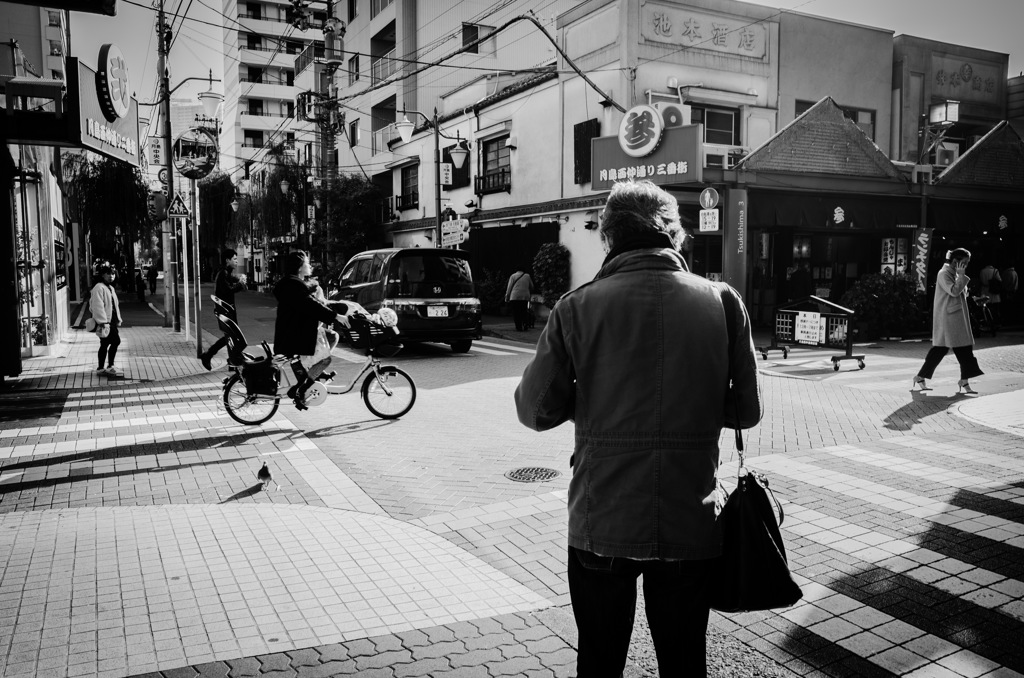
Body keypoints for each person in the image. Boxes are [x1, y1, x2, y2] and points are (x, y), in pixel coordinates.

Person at [514, 180, 762, 677]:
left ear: (608, 238)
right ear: (675, 234)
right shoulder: (723, 302)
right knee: (684, 657)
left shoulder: (576, 306)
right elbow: (746, 412)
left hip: (601, 516)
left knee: (601, 660)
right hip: (690, 514)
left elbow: (535, 412)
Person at [273, 251, 361, 410]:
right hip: (294, 336)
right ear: (300, 267)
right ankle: (302, 389)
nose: (310, 266)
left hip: (295, 332)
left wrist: (335, 308)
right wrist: (336, 316)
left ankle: (312, 374)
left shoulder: (294, 283)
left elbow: (316, 303)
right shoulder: (294, 285)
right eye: (307, 263)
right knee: (325, 359)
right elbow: (310, 305)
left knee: (332, 336)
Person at [913, 248, 984, 394]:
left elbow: (961, 292)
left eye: (967, 263)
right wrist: (962, 276)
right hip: (949, 319)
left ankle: (964, 381)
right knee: (944, 349)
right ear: (955, 262)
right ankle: (921, 377)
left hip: (956, 318)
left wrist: (962, 280)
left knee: (962, 349)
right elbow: (953, 291)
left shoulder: (954, 274)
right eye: (964, 262)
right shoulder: (944, 273)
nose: (966, 265)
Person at [200, 249, 248, 370]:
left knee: (231, 336)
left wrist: (240, 280)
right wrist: (241, 283)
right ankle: (212, 355)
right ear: (227, 260)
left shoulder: (226, 273)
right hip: (225, 311)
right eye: (234, 259)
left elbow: (233, 281)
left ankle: (230, 359)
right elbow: (229, 290)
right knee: (232, 336)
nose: (236, 261)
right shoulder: (223, 273)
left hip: (228, 310)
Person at [89, 265, 124, 377]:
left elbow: (115, 305)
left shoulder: (110, 288)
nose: (111, 276)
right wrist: (102, 321)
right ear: (102, 275)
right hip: (105, 322)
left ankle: (102, 368)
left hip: (111, 321)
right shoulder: (99, 287)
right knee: (115, 341)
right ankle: (109, 366)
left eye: (113, 274)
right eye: (108, 273)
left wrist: (118, 318)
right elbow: (97, 306)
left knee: (105, 344)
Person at [505, 267, 535, 331]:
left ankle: (518, 327)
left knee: (516, 312)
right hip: (525, 297)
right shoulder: (527, 276)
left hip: (514, 297)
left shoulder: (513, 276)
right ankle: (525, 324)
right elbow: (532, 287)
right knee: (524, 311)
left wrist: (507, 297)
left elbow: (509, 288)